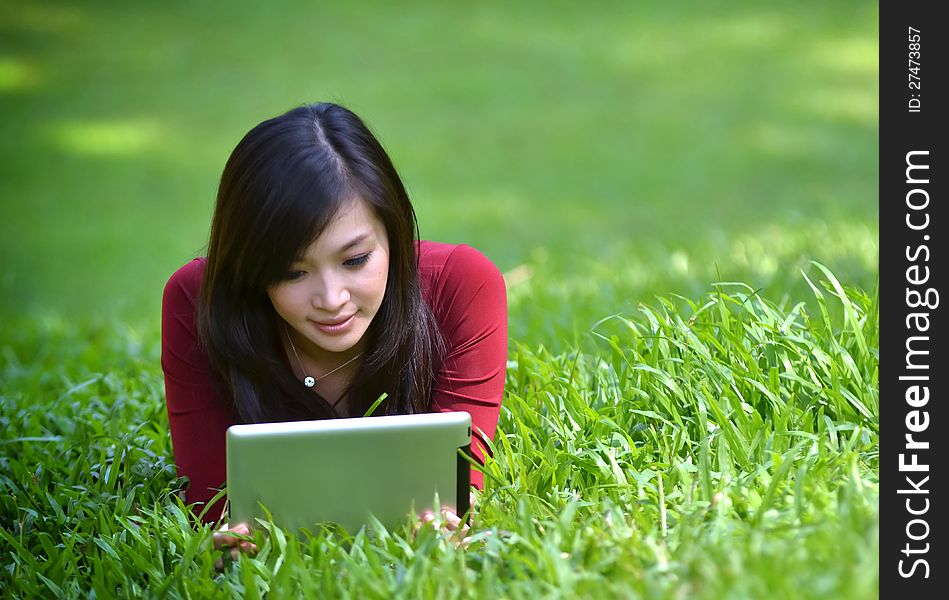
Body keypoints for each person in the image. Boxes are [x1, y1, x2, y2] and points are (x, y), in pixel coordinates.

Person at [161, 102, 507, 559]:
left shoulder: (462, 284)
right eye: (291, 272)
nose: (331, 298)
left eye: (355, 260)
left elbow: (459, 494)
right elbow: (211, 506)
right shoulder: (197, 301)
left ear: (395, 231)